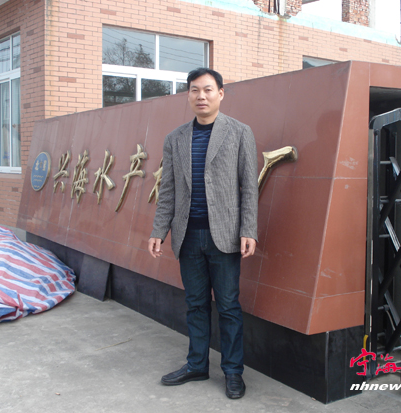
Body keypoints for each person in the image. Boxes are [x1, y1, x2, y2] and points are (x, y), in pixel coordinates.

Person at [148, 67, 258, 399]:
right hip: (188, 236)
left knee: (228, 306)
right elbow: (168, 190)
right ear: (188, 95)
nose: (201, 96)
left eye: (208, 89)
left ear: (220, 93)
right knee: (195, 304)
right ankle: (197, 364)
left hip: (224, 236)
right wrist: (159, 230)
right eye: (195, 90)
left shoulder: (240, 132)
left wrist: (248, 229)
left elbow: (249, 186)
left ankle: (233, 372)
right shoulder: (175, 138)